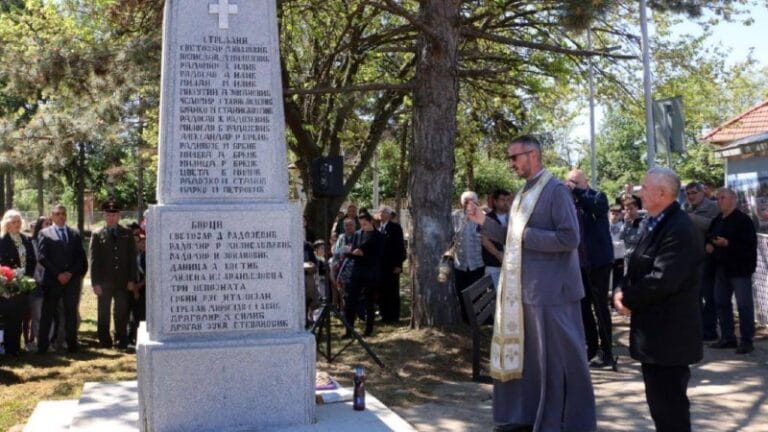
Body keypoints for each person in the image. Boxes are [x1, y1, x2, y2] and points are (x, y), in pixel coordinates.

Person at [466, 135, 596, 432]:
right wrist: (482, 222)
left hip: (554, 293)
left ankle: (567, 422)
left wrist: (525, 235)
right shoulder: (523, 192)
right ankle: (528, 417)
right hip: (525, 292)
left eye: (515, 157)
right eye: (510, 158)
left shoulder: (556, 191)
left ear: (533, 155)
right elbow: (508, 235)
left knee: (560, 363)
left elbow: (569, 238)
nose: (511, 163)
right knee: (532, 363)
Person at [614, 167, 703, 432]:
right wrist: (620, 289)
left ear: (662, 193)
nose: (640, 191)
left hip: (670, 338)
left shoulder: (679, 229)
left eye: (645, 187)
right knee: (660, 407)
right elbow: (636, 265)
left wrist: (627, 299)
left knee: (670, 409)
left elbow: (662, 279)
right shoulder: (654, 222)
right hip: (654, 336)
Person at [566, 169, 614, 368]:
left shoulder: (598, 197)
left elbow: (596, 208)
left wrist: (576, 192)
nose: (571, 185)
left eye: (575, 181)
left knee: (600, 307)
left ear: (585, 182)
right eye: (569, 182)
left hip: (599, 263)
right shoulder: (570, 203)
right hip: (579, 264)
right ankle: (592, 348)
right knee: (583, 308)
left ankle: (607, 351)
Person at [706, 187, 758, 354]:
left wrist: (728, 244)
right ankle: (728, 337)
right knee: (721, 302)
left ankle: (747, 341)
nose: (719, 201)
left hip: (740, 269)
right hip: (721, 268)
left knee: (744, 306)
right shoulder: (718, 219)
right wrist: (709, 244)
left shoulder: (743, 221)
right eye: (718, 198)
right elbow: (709, 236)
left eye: (722, 198)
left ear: (733, 200)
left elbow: (749, 245)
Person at [37, 204, 88, 354]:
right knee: (48, 314)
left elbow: (80, 257)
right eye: (57, 213)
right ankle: (42, 347)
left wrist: (70, 274)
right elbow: (42, 257)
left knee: (71, 313)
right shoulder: (44, 233)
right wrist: (58, 274)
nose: (61, 216)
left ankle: (72, 345)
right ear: (51, 216)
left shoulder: (75, 233)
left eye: (63, 213)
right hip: (53, 281)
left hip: (71, 282)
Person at [89, 201, 137, 350]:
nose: (111, 217)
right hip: (104, 281)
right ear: (104, 216)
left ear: (119, 216)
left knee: (121, 312)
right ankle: (104, 340)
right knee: (103, 312)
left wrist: (132, 279)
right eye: (109, 214)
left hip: (123, 281)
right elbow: (94, 260)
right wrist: (95, 283)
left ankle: (121, 339)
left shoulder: (127, 233)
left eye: (114, 214)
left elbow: (132, 259)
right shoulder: (97, 234)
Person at [683, 181, 721, 341]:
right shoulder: (685, 207)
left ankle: (710, 330)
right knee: (693, 296)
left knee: (709, 296)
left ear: (702, 193)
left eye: (694, 193)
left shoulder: (713, 207)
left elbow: (714, 226)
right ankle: (696, 328)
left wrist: (692, 218)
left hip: (709, 259)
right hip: (690, 258)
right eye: (688, 193)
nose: (691, 196)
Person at [0, 210, 37, 356]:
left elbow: (32, 260)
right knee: (9, 316)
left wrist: (27, 276)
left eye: (19, 222)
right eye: (14, 222)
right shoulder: (2, 240)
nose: (17, 224)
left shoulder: (25, 239)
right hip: (8, 284)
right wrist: (12, 275)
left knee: (20, 316)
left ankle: (16, 347)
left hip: (23, 283)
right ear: (7, 224)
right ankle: (9, 348)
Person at [344, 213, 383, 337]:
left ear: (371, 221)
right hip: (357, 271)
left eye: (365, 224)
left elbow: (379, 256)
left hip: (370, 273)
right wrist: (351, 253)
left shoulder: (379, 236)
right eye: (361, 224)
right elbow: (354, 250)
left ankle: (368, 329)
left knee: (369, 301)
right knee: (351, 301)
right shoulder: (357, 234)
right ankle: (348, 329)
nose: (363, 227)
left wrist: (364, 254)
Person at [452, 191, 485, 323]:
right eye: (466, 201)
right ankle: (466, 321)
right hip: (460, 264)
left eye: (472, 201)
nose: (469, 204)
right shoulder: (454, 216)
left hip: (478, 263)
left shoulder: (482, 217)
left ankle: (478, 320)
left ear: (477, 202)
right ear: (462, 203)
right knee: (461, 293)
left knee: (477, 293)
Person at [376, 206, 406, 323]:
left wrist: (399, 265)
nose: (380, 214)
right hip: (381, 266)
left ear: (388, 214)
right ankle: (384, 315)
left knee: (392, 290)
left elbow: (400, 248)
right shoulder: (379, 228)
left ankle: (393, 316)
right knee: (382, 290)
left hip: (392, 265)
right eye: (380, 212)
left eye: (383, 212)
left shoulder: (395, 228)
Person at [481, 189, 511, 289]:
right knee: (494, 296)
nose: (506, 203)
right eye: (503, 200)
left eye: (508, 200)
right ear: (495, 202)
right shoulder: (487, 218)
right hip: (493, 265)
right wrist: (499, 255)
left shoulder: (514, 217)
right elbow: (485, 240)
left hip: (512, 265)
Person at [127, 229, 146, 345]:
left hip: (143, 289)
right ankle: (130, 337)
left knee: (141, 314)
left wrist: (138, 287)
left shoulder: (146, 256)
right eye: (134, 241)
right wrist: (134, 289)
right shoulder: (129, 256)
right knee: (131, 314)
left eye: (140, 241)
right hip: (131, 288)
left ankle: (139, 337)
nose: (139, 244)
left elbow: (148, 275)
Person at [608, 204, 625, 294]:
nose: (614, 216)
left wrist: (614, 244)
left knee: (618, 280)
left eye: (617, 214)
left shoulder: (623, 226)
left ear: (620, 215)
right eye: (612, 213)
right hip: (608, 257)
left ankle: (616, 301)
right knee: (606, 280)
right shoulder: (605, 225)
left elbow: (623, 242)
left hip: (619, 257)